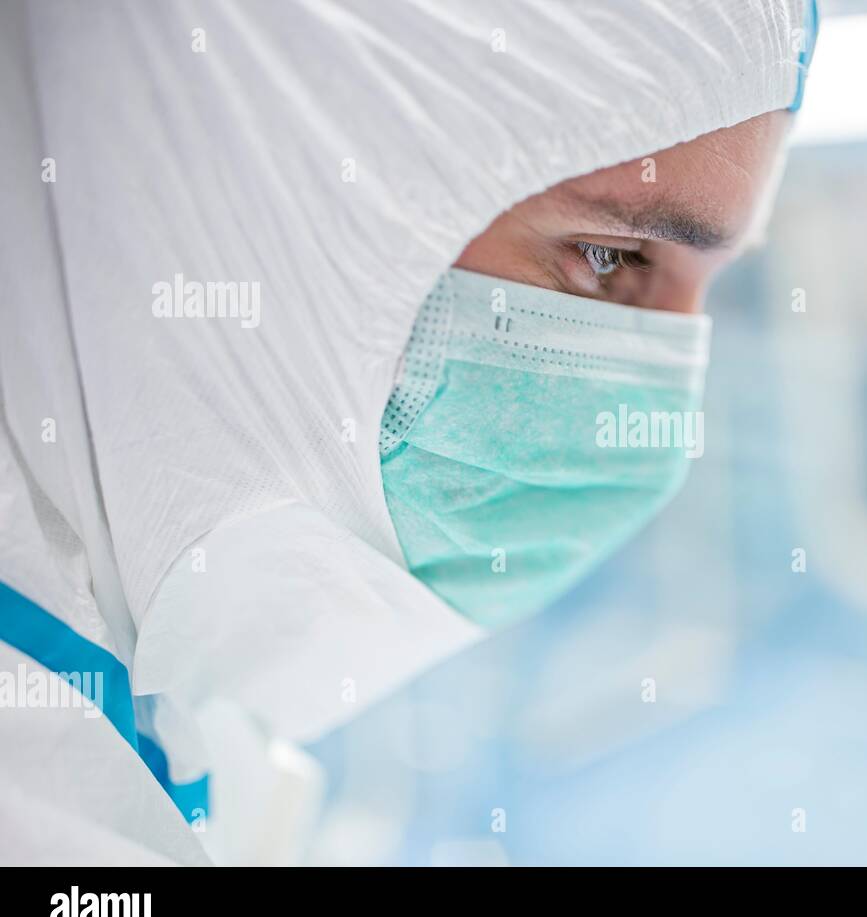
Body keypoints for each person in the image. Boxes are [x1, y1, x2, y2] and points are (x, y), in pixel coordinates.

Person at [0, 0, 816, 863]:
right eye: (610, 259)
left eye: (707, 290)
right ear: (276, 181)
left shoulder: (135, 674)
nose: (665, 436)